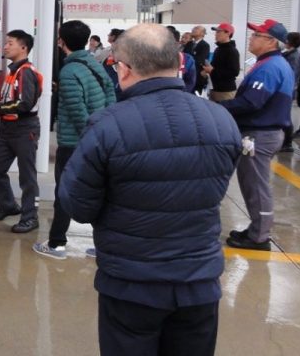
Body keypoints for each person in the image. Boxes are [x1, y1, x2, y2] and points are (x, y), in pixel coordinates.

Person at [58, 24, 240, 356]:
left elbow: (78, 204)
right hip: (199, 283)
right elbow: (215, 186)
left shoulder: (107, 125)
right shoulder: (221, 120)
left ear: (124, 69)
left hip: (132, 284)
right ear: (179, 63)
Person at [33, 20, 115, 259]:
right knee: (100, 191)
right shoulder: (94, 62)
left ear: (61, 41)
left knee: (65, 192)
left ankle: (56, 244)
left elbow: (77, 109)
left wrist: (90, 136)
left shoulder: (69, 71)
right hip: (99, 138)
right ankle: (103, 247)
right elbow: (110, 92)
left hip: (74, 144)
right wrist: (104, 130)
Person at [220, 19, 294, 251]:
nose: (251, 39)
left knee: (256, 186)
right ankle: (256, 229)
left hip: (260, 134)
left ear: (271, 41)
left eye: (256, 36)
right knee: (251, 184)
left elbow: (251, 102)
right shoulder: (269, 63)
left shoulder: (270, 67)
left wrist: (217, 108)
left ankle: (259, 236)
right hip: (260, 132)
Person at [0, 29, 43, 233]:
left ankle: (30, 217)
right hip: (8, 129)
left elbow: (25, 104)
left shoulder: (26, 71)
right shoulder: (14, 71)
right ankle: (8, 206)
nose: (5, 46)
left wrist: (0, 108)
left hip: (24, 129)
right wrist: (0, 106)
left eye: (10, 43)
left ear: (23, 47)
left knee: (27, 177)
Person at [203, 22, 241, 103]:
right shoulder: (218, 49)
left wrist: (212, 71)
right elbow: (214, 66)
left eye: (219, 32)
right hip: (215, 89)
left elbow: (234, 72)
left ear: (228, 33)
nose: (216, 34)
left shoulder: (232, 51)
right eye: (216, 32)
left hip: (226, 91)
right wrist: (207, 69)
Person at [279, 31, 300, 153]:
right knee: (283, 115)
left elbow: (291, 76)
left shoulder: (293, 57)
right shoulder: (288, 54)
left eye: (286, 39)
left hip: (286, 92)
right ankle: (285, 141)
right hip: (286, 91)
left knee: (285, 117)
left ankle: (287, 143)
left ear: (289, 42)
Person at [167, 25, 196, 92]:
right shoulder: (152, 58)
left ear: (176, 42)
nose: (183, 39)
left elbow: (190, 82)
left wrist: (182, 93)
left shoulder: (187, 59)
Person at [191, 25, 210, 95]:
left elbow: (201, 59)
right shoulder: (190, 44)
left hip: (198, 74)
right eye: (193, 28)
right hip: (188, 73)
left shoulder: (205, 45)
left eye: (196, 29)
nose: (193, 29)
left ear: (203, 33)